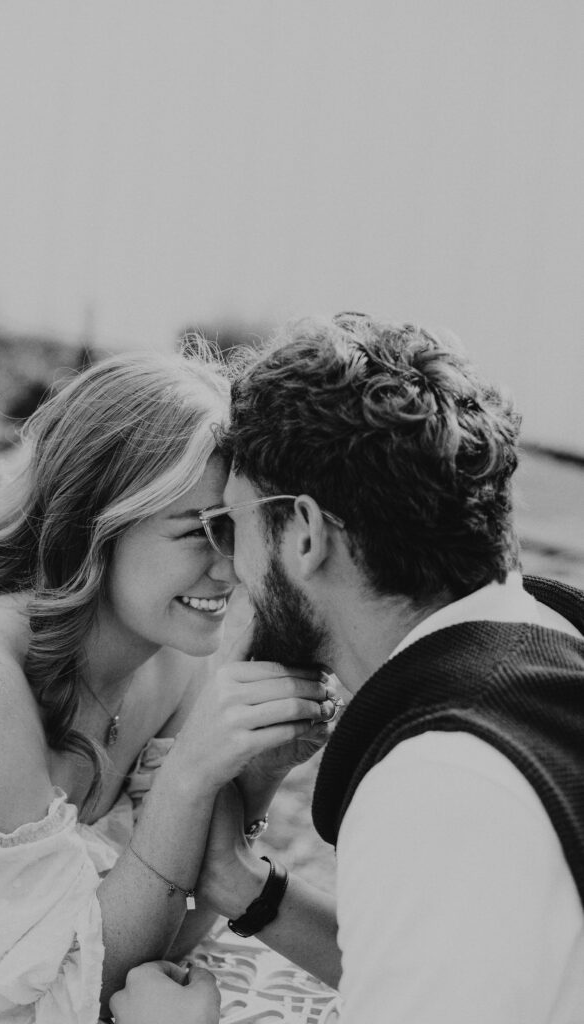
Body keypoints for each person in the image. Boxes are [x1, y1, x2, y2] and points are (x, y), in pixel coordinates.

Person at [115, 313, 584, 1024]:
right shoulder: (548, 634)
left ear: (302, 534)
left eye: (231, 527)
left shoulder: (442, 779)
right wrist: (239, 885)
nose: (231, 569)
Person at [0, 348, 337, 1024]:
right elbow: (52, 996)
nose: (235, 569)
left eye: (243, 531)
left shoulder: (176, 660)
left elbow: (167, 931)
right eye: (202, 532)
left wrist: (253, 781)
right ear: (94, 526)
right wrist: (189, 778)